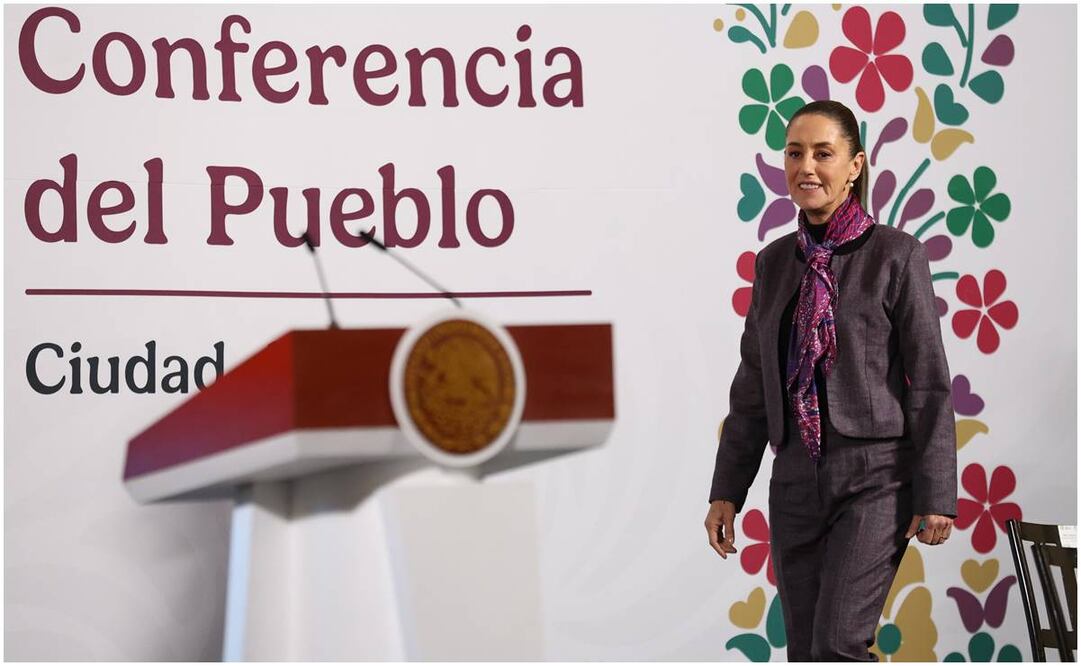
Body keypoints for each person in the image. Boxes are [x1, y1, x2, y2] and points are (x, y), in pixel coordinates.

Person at [703, 100, 958, 662]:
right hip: (793, 479)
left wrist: (937, 493)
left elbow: (930, 381)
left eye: (824, 153)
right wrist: (727, 491)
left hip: (875, 479)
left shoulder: (897, 255)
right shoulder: (772, 264)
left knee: (838, 642)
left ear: (855, 165)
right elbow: (751, 389)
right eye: (795, 153)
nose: (807, 167)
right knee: (805, 651)